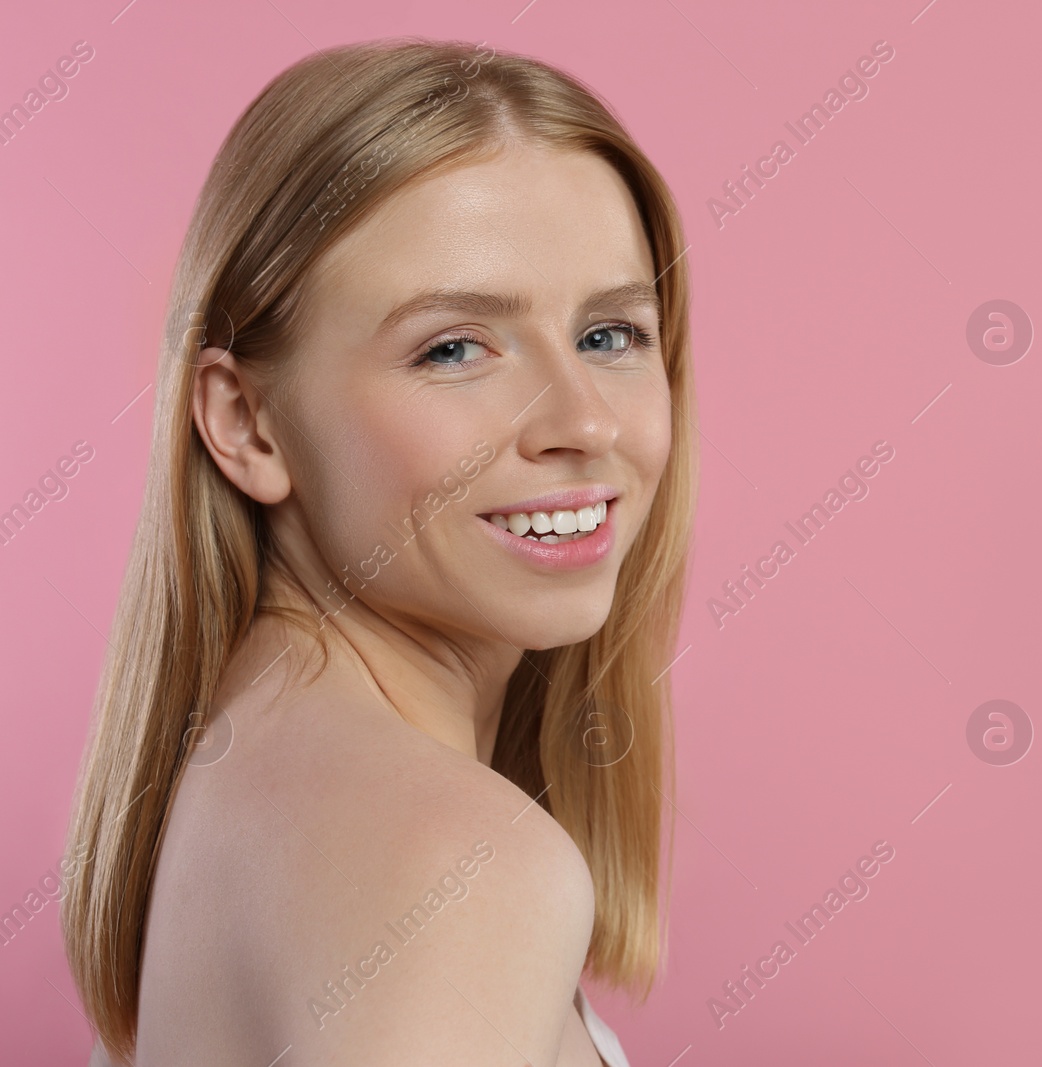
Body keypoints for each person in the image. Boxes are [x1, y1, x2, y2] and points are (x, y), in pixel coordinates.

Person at [61, 36, 697, 1066]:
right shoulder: (455, 864)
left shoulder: (236, 775)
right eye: (454, 347)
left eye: (610, 334)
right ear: (248, 423)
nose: (582, 419)